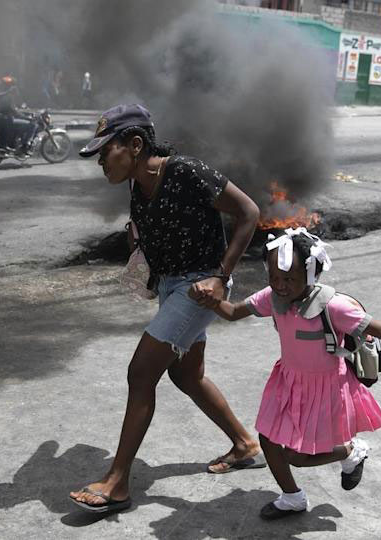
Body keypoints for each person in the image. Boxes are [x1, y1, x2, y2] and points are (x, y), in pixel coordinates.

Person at [193, 228, 381, 520]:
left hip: (326, 389)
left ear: (311, 275)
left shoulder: (333, 307)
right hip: (288, 381)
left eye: (289, 278)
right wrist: (208, 300)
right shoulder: (272, 297)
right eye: (273, 277)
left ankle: (350, 451)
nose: (280, 285)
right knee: (269, 439)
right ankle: (292, 497)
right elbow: (233, 312)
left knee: (296, 457)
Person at [69, 104, 263, 514]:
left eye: (107, 151)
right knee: (187, 375)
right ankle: (246, 445)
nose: (101, 161)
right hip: (172, 286)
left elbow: (249, 213)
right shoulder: (139, 185)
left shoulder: (186, 171)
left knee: (141, 373)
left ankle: (118, 482)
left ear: (135, 144)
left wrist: (220, 276)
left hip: (199, 289)